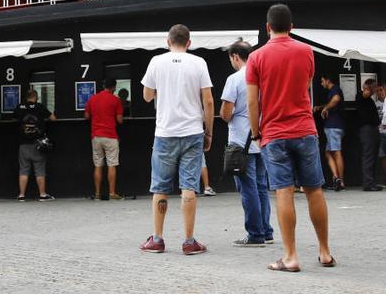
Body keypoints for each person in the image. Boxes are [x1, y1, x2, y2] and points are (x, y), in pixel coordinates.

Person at [247, 4, 334, 273]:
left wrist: (256, 132)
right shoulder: (306, 52)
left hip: (274, 133)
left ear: (267, 27)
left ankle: (291, 256)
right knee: (314, 190)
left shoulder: (256, 57)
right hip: (305, 129)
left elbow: (253, 101)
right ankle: (325, 251)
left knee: (283, 191)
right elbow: (305, 83)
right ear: (292, 27)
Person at [139, 24, 214, 255]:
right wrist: (208, 132)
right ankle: (189, 241)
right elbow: (209, 101)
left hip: (164, 133)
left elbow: (146, 95)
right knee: (189, 187)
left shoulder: (156, 61)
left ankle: (158, 239)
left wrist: (162, 91)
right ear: (189, 43)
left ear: (168, 41)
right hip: (192, 132)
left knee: (160, 188)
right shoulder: (199, 62)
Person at [221, 40, 273, 246]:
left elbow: (226, 113)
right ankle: (266, 230)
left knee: (248, 188)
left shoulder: (234, 79)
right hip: (262, 138)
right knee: (261, 187)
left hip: (241, 141)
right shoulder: (262, 76)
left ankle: (255, 234)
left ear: (235, 57)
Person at [14, 89, 56, 201]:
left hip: (23, 144)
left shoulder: (19, 107)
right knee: (40, 170)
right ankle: (42, 194)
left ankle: (21, 195)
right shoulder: (40, 107)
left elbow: (14, 119)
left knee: (23, 170)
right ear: (36, 97)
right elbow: (53, 118)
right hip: (37, 144)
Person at [85, 78, 123, 200]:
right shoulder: (116, 100)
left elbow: (86, 116)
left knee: (98, 164)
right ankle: (112, 193)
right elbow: (120, 120)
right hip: (110, 136)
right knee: (112, 164)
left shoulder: (92, 98)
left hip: (96, 136)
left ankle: (97, 194)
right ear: (114, 87)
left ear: (103, 85)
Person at [314, 75, 345, 191]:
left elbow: (336, 99)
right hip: (333, 126)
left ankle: (340, 181)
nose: (321, 84)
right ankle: (336, 177)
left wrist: (325, 108)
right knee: (328, 152)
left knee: (336, 152)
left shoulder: (335, 89)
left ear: (328, 80)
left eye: (322, 81)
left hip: (334, 126)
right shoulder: (333, 91)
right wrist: (321, 107)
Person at [356, 78, 382, 191]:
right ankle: (368, 183)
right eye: (374, 87)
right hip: (367, 130)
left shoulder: (369, 99)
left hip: (372, 129)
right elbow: (365, 94)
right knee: (369, 156)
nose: (376, 89)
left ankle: (372, 182)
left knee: (373, 156)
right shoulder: (361, 95)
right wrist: (368, 88)